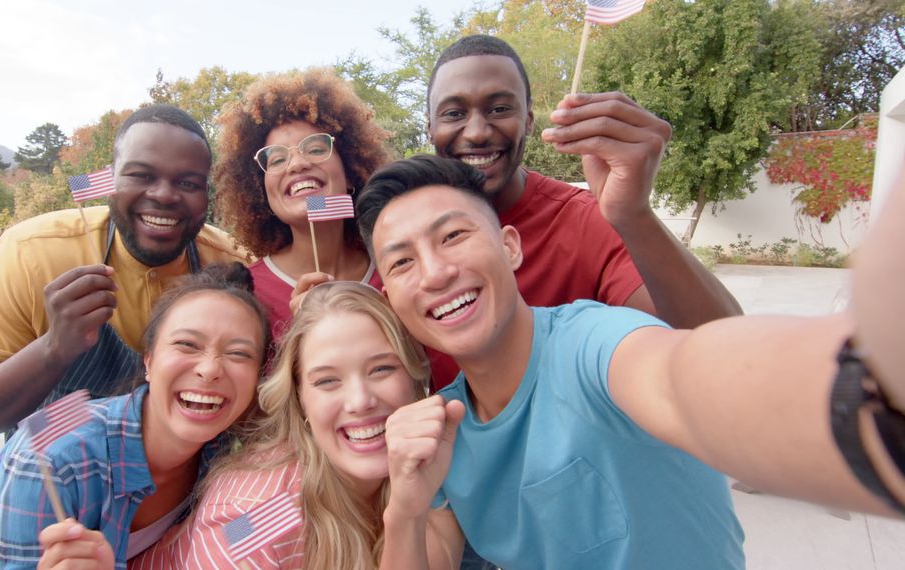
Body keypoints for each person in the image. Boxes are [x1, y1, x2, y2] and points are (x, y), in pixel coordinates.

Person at [354, 155, 903, 570]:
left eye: (453, 236)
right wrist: (404, 507)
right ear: (390, 298)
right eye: (402, 262)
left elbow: (683, 380)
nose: (433, 273)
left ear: (511, 247)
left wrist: (870, 389)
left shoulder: (594, 345)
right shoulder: (442, 432)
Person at [0, 264, 271, 569]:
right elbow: (32, 444)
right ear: (148, 361)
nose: (210, 369)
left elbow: (211, 540)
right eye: (187, 344)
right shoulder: (53, 459)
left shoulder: (224, 459)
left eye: (239, 353)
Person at [39, 282, 448, 570]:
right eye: (327, 380)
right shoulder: (257, 514)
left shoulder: (439, 460)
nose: (360, 401)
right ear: (299, 398)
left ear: (416, 379)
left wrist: (406, 514)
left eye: (381, 369)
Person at [423, 35, 741, 388]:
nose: (478, 132)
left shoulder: (586, 219)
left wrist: (634, 214)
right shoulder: (403, 240)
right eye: (454, 113)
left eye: (499, 109)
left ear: (528, 119)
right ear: (430, 127)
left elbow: (718, 348)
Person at [0, 105, 249, 445]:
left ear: (206, 193)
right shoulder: (31, 253)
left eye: (188, 182)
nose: (164, 195)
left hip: (197, 491)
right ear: (110, 180)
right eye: (141, 175)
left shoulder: (235, 265)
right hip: (59, 492)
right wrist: (53, 348)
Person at [212, 68, 391, 338]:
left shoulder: (396, 271)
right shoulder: (245, 293)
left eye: (316, 149)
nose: (297, 164)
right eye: (277, 159)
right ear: (260, 191)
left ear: (351, 170)